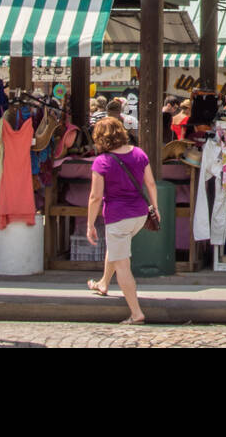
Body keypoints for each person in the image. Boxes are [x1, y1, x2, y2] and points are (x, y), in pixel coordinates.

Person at [85, 117, 158, 324]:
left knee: (123, 264)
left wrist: (90, 224)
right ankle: (103, 283)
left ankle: (136, 313)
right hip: (140, 214)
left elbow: (95, 197)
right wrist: (156, 208)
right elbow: (151, 184)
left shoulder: (102, 162)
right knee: (117, 247)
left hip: (118, 217)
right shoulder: (139, 153)